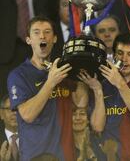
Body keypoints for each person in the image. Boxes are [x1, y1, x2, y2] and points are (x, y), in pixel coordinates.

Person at [7, 16, 105, 161]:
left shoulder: (64, 70)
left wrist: (84, 66)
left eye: (47, 32)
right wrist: (50, 82)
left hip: (65, 155)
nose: (42, 36)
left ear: (54, 39)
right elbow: (27, 115)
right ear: (28, 40)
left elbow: (80, 103)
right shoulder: (19, 75)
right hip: (35, 156)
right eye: (36, 32)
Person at [0, 95, 18, 161]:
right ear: (1, 114)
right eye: (10, 109)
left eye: (17, 109)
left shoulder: (32, 138)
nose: (15, 113)